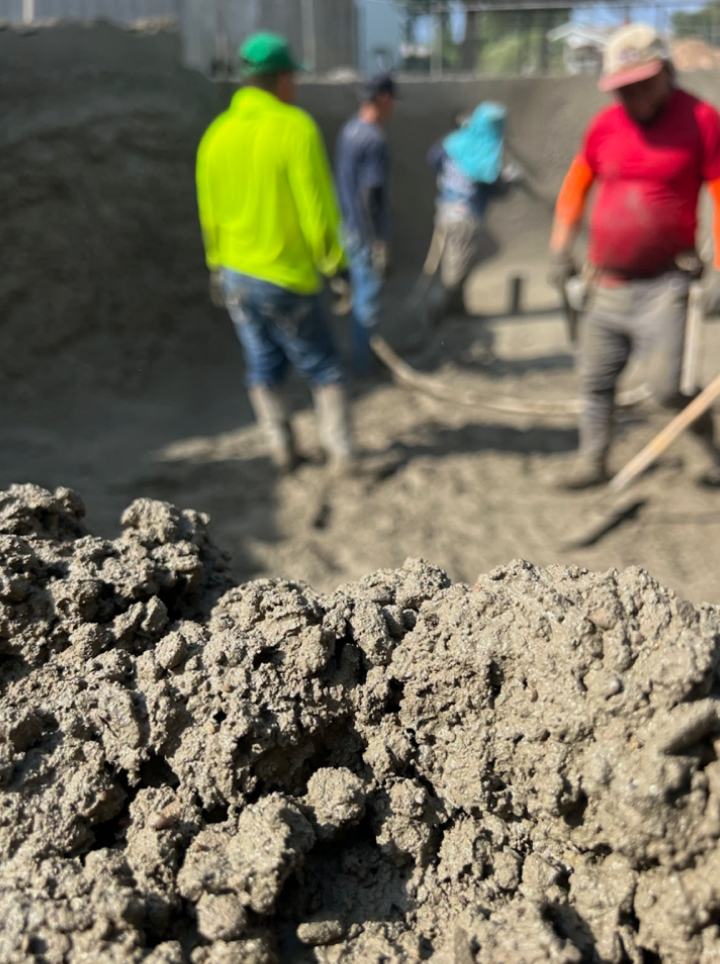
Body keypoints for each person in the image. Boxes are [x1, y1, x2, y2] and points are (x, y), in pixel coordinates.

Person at [549, 23, 720, 490]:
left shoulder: (701, 120)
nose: (633, 97)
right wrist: (560, 247)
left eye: (642, 85)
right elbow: (578, 183)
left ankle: (709, 450)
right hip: (606, 282)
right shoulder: (605, 126)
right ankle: (592, 459)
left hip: (665, 284)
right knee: (595, 381)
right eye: (623, 90)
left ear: (665, 71)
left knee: (667, 388)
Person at [196, 32, 353, 476]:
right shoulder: (294, 128)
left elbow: (210, 215)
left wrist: (215, 266)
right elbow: (317, 209)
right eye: (293, 77)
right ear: (281, 78)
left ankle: (281, 449)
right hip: (284, 276)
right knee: (325, 366)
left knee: (263, 364)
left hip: (235, 277)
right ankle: (342, 456)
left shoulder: (216, 136)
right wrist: (337, 265)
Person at [425, 102, 513, 328]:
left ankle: (456, 309)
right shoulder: (486, 151)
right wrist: (510, 181)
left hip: (445, 209)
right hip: (465, 218)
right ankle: (437, 312)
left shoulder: (454, 142)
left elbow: (433, 158)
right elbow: (493, 186)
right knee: (457, 270)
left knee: (452, 262)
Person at [335, 74, 397, 376]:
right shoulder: (373, 138)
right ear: (383, 98)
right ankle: (363, 367)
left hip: (346, 225)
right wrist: (377, 239)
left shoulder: (349, 131)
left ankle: (362, 359)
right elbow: (370, 194)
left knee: (360, 295)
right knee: (367, 299)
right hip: (364, 231)